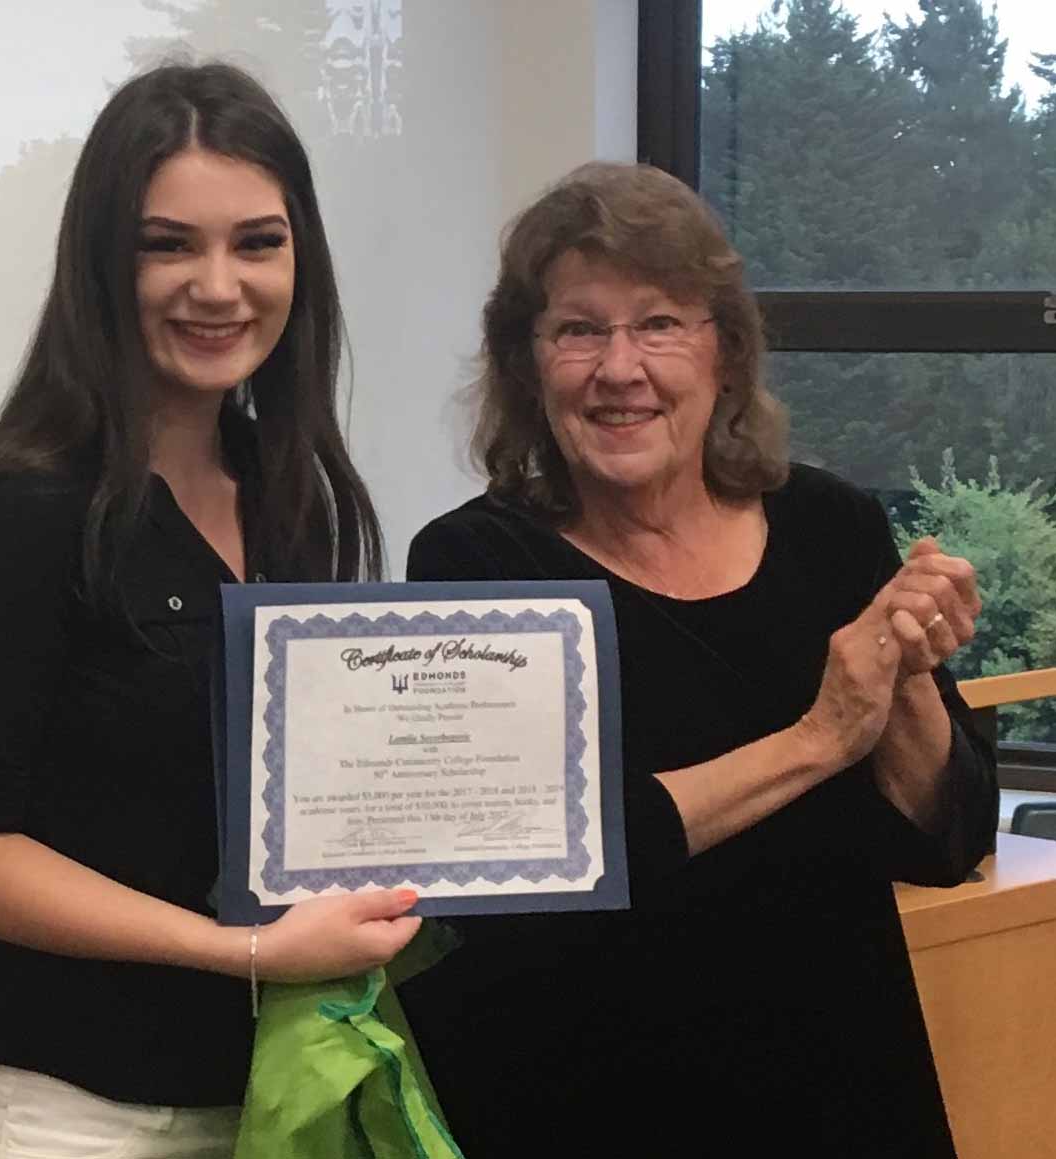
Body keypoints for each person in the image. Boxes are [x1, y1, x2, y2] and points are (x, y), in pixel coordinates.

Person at [401, 162, 997, 1158]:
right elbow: (536, 879)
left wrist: (907, 676)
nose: (617, 367)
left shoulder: (830, 524)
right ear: (527, 362)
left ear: (722, 351)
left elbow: (946, 843)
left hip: (836, 1087)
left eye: (657, 324)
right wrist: (817, 737)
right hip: (572, 1101)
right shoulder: (474, 564)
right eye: (577, 329)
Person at [0, 63, 420, 1159]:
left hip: (265, 1093)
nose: (219, 285)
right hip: (60, 1110)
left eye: (258, 242)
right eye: (168, 243)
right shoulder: (29, 506)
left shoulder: (290, 497)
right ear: (103, 261)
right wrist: (234, 948)